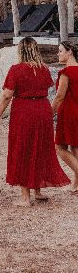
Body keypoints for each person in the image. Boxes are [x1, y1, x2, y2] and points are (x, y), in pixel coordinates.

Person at [0, 36, 70, 206]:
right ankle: (38, 190)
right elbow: (47, 88)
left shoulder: (16, 69)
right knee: (39, 148)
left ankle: (25, 197)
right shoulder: (43, 69)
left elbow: (6, 95)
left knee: (23, 149)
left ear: (21, 51)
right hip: (42, 110)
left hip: (24, 111)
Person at [52, 41, 78, 191]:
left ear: (70, 53)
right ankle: (76, 184)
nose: (58, 53)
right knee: (75, 147)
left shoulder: (66, 73)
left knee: (60, 147)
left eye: (61, 51)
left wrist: (49, 114)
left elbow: (59, 97)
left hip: (68, 113)